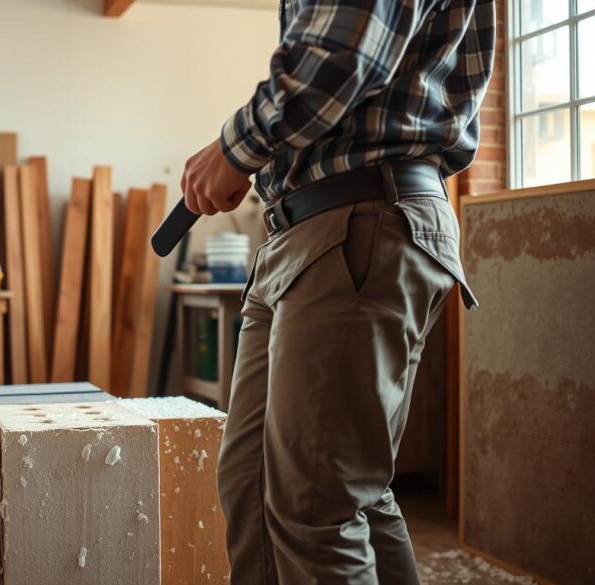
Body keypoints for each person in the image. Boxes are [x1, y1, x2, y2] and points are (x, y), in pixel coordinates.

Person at [181, 1, 492, 583]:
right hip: (297, 230)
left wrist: (232, 148)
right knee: (253, 484)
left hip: (359, 214)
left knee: (316, 503)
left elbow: (342, 56)